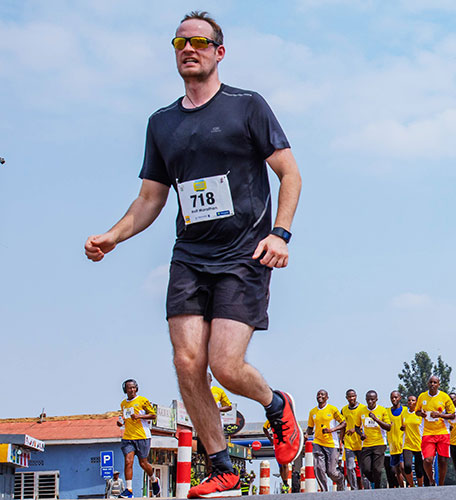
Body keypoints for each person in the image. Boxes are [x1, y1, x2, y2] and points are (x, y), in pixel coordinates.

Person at [85, 11, 303, 498]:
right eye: (180, 42)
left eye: (200, 41)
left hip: (245, 252)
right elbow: (150, 199)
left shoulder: (248, 107)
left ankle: (275, 405)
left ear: (218, 52)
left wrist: (281, 234)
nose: (189, 48)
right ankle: (221, 463)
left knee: (225, 365)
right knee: (187, 362)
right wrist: (113, 236)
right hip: (189, 255)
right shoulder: (161, 124)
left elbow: (291, 174)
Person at [117, 379, 160, 498]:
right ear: (125, 390)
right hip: (128, 437)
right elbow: (124, 418)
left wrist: (139, 416)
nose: (131, 390)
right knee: (128, 461)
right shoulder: (123, 404)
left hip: (142, 436)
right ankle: (129, 490)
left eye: (133, 388)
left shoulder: (142, 400)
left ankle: (154, 480)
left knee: (143, 463)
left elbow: (153, 415)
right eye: (128, 388)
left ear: (136, 388)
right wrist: (120, 423)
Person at [415, 376, 456, 486]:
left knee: (442, 460)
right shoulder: (422, 396)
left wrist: (440, 415)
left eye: (435, 382)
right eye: (431, 382)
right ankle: (431, 480)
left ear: (438, 384)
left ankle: (441, 484)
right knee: (428, 460)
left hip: (442, 432)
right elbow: (417, 411)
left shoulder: (444, 397)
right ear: (428, 384)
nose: (432, 384)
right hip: (427, 432)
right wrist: (421, 414)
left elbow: (452, 415)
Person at [306, 390, 346, 491]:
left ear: (327, 397)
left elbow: (343, 423)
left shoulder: (332, 409)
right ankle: (324, 492)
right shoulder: (313, 412)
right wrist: (306, 434)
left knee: (331, 472)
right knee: (318, 468)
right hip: (318, 442)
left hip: (332, 444)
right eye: (318, 394)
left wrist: (331, 430)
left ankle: (340, 479)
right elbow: (310, 427)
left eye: (322, 394)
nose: (320, 396)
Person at [358, 391, 391, 488]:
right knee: (366, 469)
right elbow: (356, 427)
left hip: (379, 443)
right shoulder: (362, 411)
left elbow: (388, 427)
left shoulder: (382, 410)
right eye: (368, 399)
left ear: (376, 399)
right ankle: (376, 480)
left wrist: (376, 419)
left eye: (372, 399)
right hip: (366, 444)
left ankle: (377, 486)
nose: (370, 401)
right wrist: (361, 434)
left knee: (377, 469)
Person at [340, 389, 366, 489]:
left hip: (361, 443)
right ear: (346, 398)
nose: (351, 398)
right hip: (349, 443)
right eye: (349, 397)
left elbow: (366, 424)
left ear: (356, 396)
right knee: (350, 468)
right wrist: (340, 440)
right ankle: (355, 490)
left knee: (363, 469)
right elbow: (343, 426)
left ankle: (366, 490)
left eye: (353, 396)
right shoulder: (343, 410)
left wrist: (355, 430)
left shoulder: (363, 408)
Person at [401, 395, 426, 487]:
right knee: (407, 466)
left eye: (413, 400)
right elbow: (402, 426)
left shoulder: (420, 414)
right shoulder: (404, 413)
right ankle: (411, 484)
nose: (410, 402)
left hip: (419, 444)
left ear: (416, 402)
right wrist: (402, 428)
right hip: (407, 444)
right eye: (409, 400)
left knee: (419, 469)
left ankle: (420, 486)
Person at [387, 391, 407, 487]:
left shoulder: (405, 410)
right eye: (392, 397)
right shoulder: (387, 412)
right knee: (396, 469)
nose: (394, 399)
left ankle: (411, 484)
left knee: (403, 467)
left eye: (396, 397)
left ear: (400, 397)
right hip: (392, 445)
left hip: (403, 444)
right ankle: (402, 488)